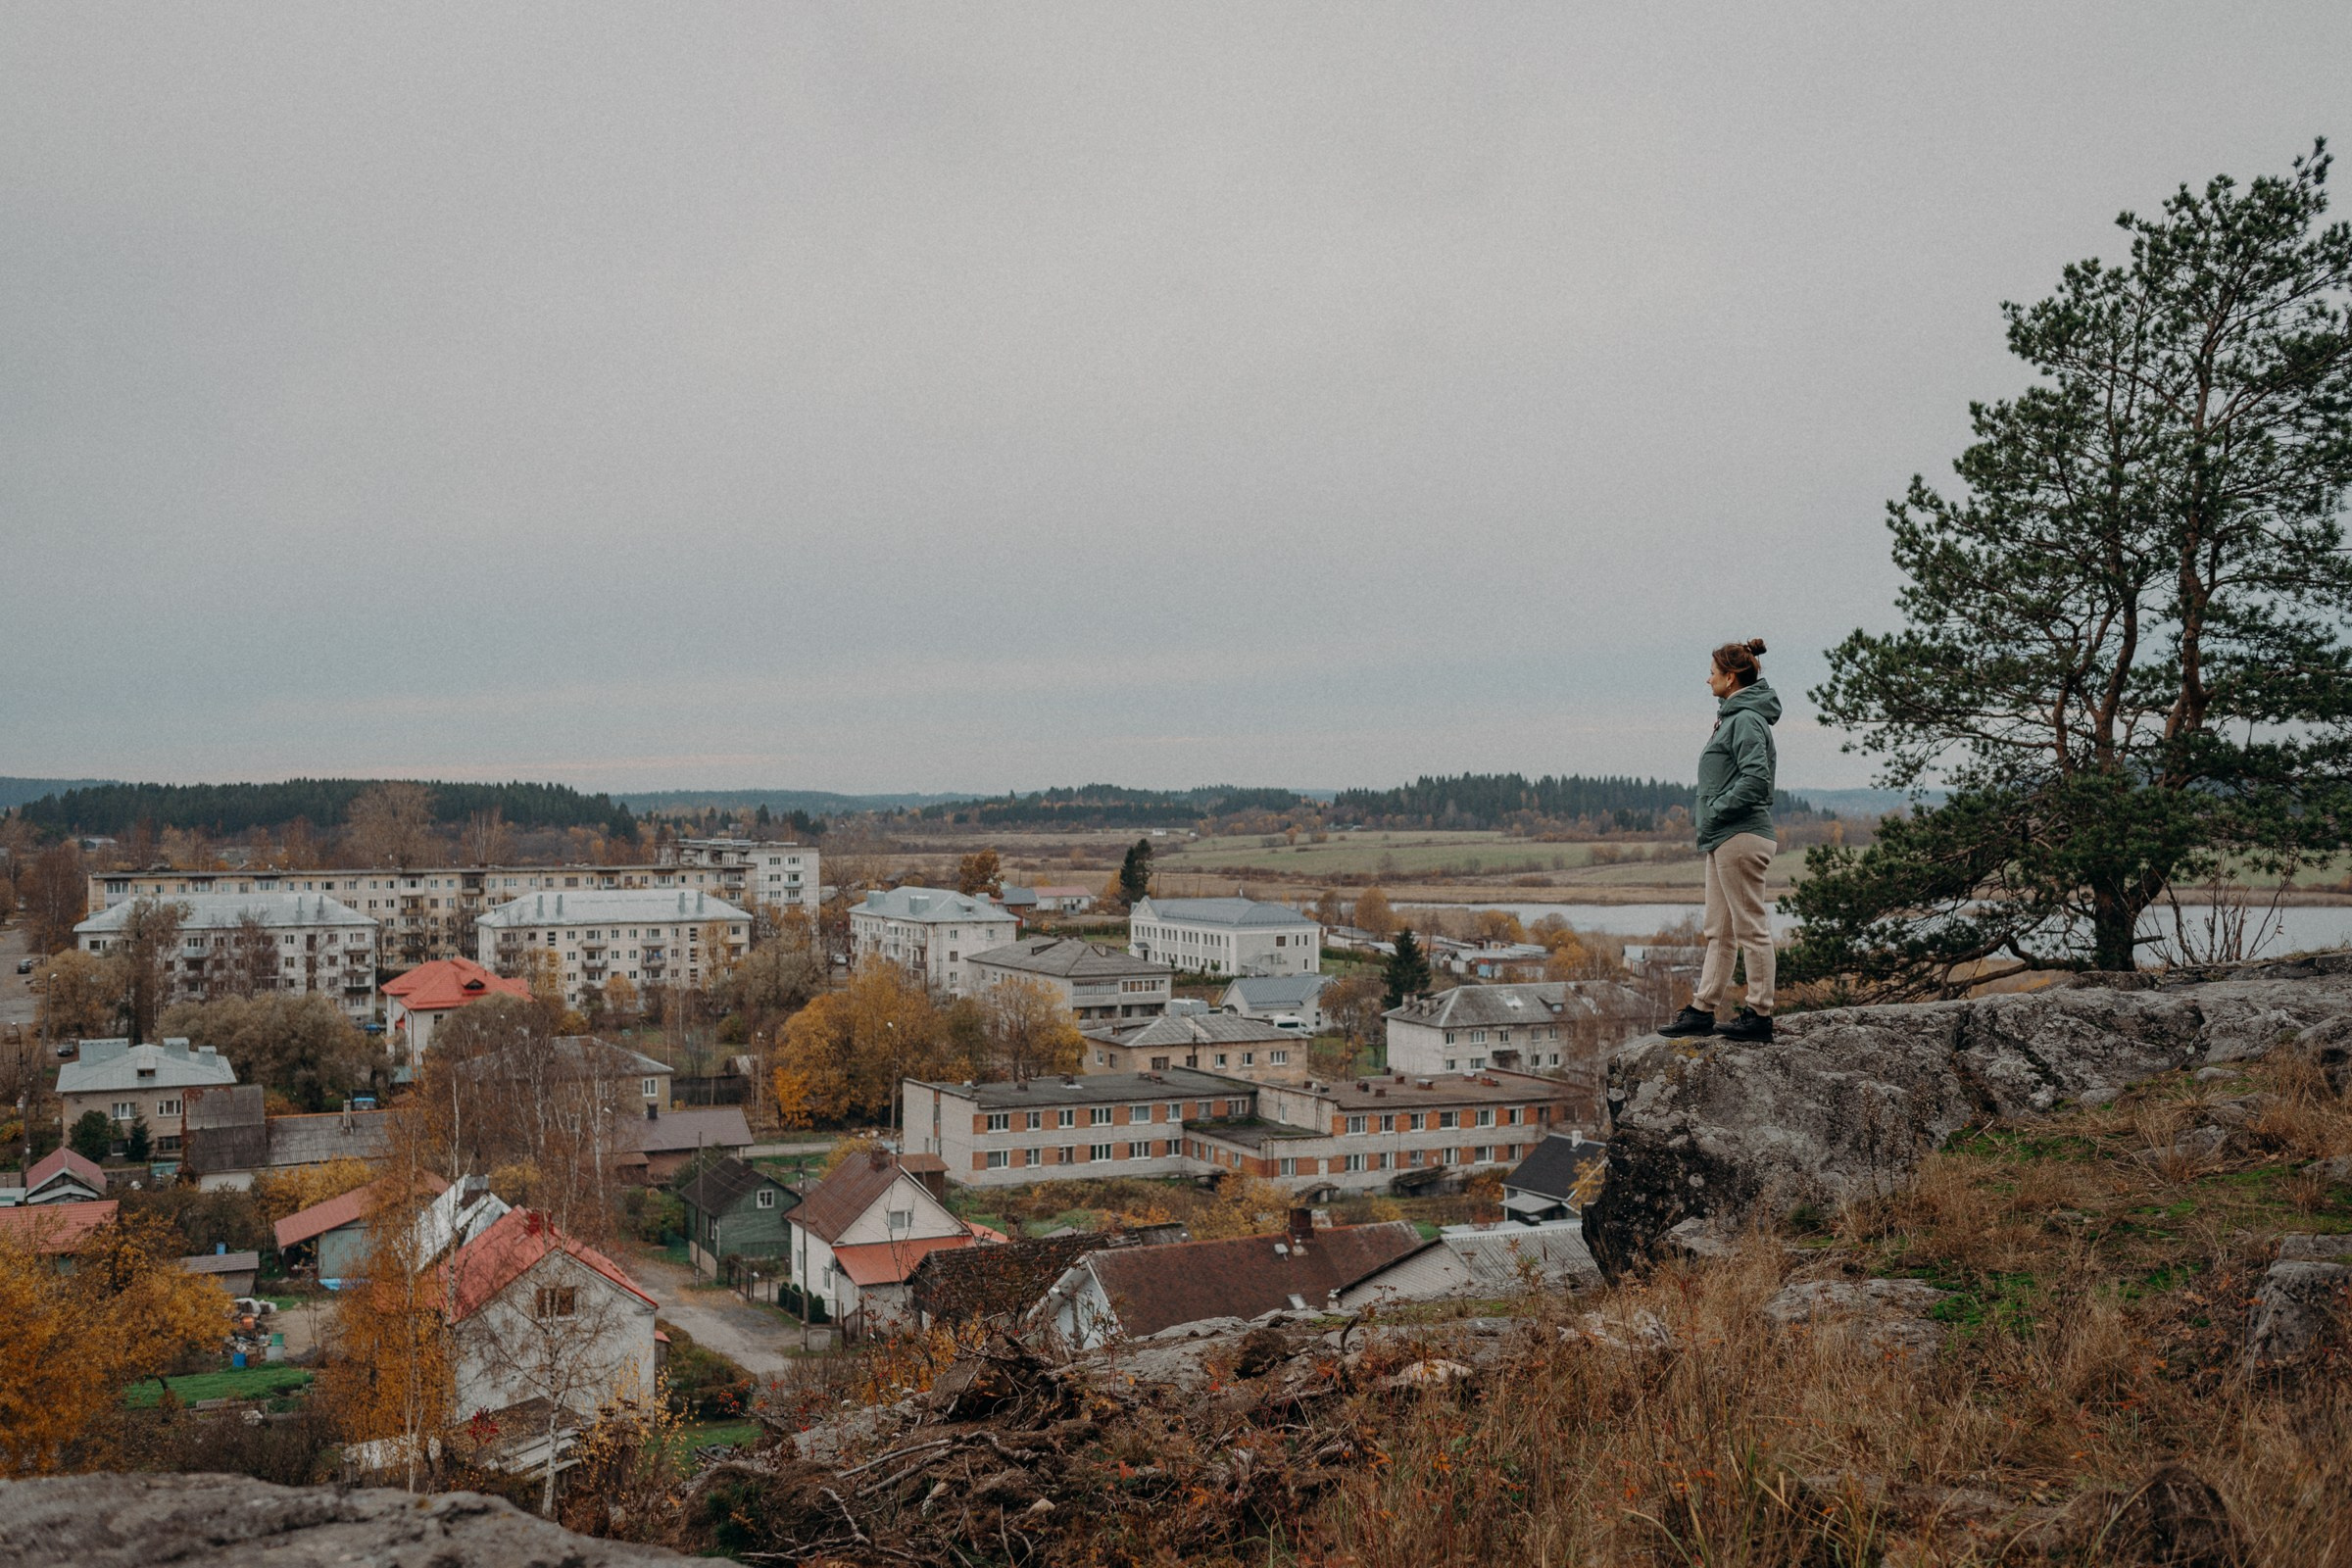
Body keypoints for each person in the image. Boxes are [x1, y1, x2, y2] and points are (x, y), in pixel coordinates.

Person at [1659, 638, 1781, 1044]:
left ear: (1730, 678)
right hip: (1724, 837)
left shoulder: (1745, 719)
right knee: (1719, 930)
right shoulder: (1734, 717)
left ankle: (1760, 1013)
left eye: (1712, 671)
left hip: (1740, 836)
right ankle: (1702, 1008)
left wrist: (1717, 809)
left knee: (1750, 929)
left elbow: (1756, 779)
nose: (1706, 678)